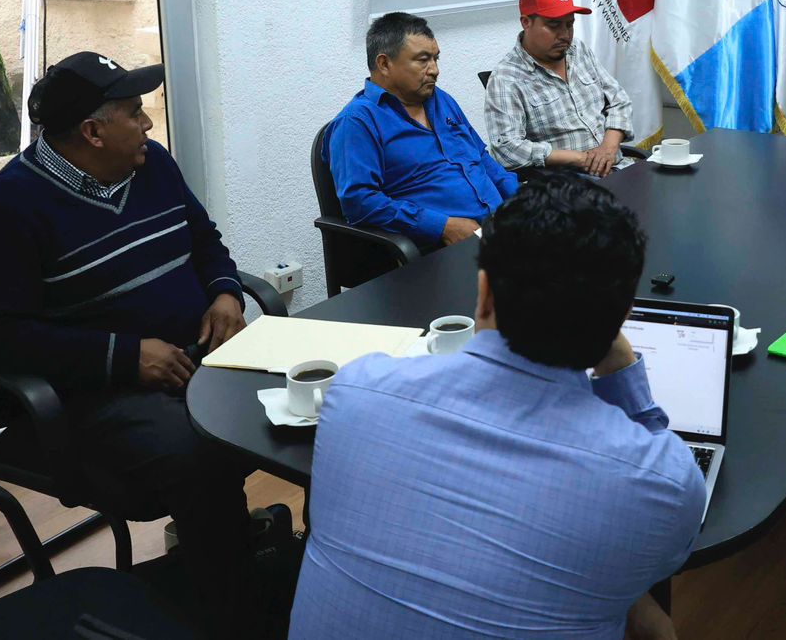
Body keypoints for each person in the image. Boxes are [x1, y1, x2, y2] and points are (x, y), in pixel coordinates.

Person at [288, 174, 706, 640]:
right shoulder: (663, 482)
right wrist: (623, 370)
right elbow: (649, 556)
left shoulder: (354, 393)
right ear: (622, 318)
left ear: (484, 291)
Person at [0, 52, 256, 630]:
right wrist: (125, 358)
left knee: (317, 399)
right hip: (97, 393)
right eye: (134, 113)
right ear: (92, 132)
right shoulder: (5, 211)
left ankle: (274, 561)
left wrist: (224, 293)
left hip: (196, 357)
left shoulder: (153, 165)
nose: (148, 124)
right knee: (201, 456)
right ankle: (232, 615)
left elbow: (205, 241)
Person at [328, 12, 519, 250]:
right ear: (384, 64)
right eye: (423, 60)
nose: (435, 70)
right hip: (443, 247)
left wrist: (523, 199)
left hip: (500, 226)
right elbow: (359, 202)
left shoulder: (441, 100)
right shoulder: (357, 122)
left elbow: (480, 157)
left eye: (436, 59)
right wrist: (442, 226)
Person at [483, 0, 634, 178]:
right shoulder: (506, 78)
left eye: (569, 25)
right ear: (526, 22)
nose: (564, 35)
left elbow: (619, 100)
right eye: (554, 26)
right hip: (567, 182)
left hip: (618, 166)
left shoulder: (578, 50)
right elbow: (507, 149)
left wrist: (608, 147)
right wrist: (581, 159)